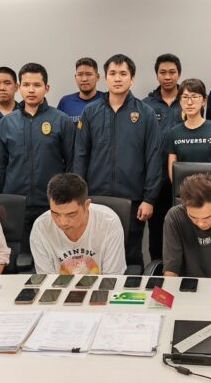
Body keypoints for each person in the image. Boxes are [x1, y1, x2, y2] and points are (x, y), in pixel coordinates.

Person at [73, 54, 161, 268]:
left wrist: (149, 199)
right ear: (105, 78)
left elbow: (154, 157)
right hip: (95, 199)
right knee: (96, 253)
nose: (118, 78)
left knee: (131, 254)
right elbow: (81, 155)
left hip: (132, 199)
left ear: (132, 79)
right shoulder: (91, 112)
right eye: (113, 73)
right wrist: (79, 196)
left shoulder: (145, 113)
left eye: (123, 74)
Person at [0, 62, 75, 253]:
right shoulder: (7, 123)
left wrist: (67, 198)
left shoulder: (61, 120)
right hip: (16, 202)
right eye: (26, 85)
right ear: (18, 87)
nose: (31, 90)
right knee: (20, 256)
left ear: (46, 88)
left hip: (52, 201)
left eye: (37, 85)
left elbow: (71, 163)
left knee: (55, 252)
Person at [30, 173, 126, 275]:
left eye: (71, 214)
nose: (63, 222)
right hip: (58, 289)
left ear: (87, 205)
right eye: (55, 213)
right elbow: (46, 280)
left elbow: (112, 278)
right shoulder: (41, 227)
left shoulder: (109, 222)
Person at [143, 53, 183, 260]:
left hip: (183, 179)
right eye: (163, 72)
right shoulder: (146, 105)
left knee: (183, 230)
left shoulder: (189, 100)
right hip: (155, 178)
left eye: (172, 72)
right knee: (157, 231)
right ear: (157, 75)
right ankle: (157, 272)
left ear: (179, 74)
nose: (168, 77)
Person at [165, 78, 211, 181]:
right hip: (183, 193)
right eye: (185, 97)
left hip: (210, 192)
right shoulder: (174, 132)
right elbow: (173, 173)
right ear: (180, 101)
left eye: (194, 97)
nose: (189, 102)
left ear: (204, 101)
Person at [56, 57, 103, 125]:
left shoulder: (106, 100)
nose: (84, 79)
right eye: (80, 74)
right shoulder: (65, 102)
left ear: (97, 77)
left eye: (88, 74)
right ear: (75, 77)